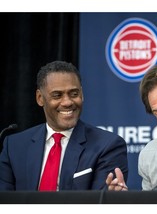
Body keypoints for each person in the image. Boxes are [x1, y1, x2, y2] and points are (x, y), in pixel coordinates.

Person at [0, 60, 128, 191]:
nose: (67, 102)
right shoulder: (14, 147)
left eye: (74, 94)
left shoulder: (107, 146)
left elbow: (100, 202)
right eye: (57, 95)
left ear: (82, 94)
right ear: (40, 98)